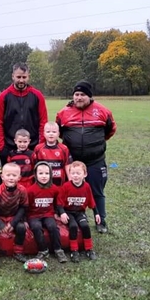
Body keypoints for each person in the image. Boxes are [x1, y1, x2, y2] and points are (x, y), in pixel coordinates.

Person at [56, 80, 117, 234]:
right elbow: (59, 133)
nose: (79, 97)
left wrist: (95, 145)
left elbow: (110, 130)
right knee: (69, 191)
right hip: (72, 162)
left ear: (89, 96)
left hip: (95, 160)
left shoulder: (103, 111)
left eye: (82, 94)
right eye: (76, 94)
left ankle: (101, 220)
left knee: (97, 191)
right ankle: (71, 219)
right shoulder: (64, 113)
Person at [0, 63, 48, 165]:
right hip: (9, 146)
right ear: (13, 76)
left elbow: (43, 121)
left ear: (28, 77)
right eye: (18, 77)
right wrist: (2, 147)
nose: (21, 80)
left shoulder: (37, 96)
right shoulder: (4, 96)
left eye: (24, 77)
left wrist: (40, 145)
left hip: (32, 146)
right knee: (10, 178)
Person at [0, 163, 28, 268]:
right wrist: (0, 225)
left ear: (19, 177)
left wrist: (13, 223)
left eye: (14, 175)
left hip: (13, 216)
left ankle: (18, 251)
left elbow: (24, 207)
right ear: (2, 177)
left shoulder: (22, 190)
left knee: (21, 228)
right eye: (8, 175)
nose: (11, 178)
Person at [58, 161, 101, 262]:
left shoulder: (86, 187)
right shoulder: (66, 186)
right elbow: (59, 203)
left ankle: (89, 249)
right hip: (69, 212)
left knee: (85, 226)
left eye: (78, 173)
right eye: (73, 173)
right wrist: (62, 213)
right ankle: (74, 251)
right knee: (73, 226)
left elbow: (91, 201)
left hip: (80, 212)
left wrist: (97, 213)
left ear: (85, 174)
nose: (75, 176)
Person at [27, 162, 68, 263]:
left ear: (51, 175)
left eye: (47, 173)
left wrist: (59, 213)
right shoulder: (30, 190)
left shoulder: (54, 189)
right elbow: (25, 207)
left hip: (48, 214)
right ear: (35, 175)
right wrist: (24, 219)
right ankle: (43, 250)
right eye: (40, 173)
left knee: (52, 227)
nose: (44, 176)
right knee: (36, 227)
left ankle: (58, 249)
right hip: (34, 215)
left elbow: (57, 203)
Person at [32, 121, 72, 186]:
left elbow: (67, 165)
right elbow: (34, 166)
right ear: (44, 133)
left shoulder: (64, 148)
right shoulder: (38, 148)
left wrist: (70, 180)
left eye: (54, 132)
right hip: (43, 183)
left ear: (58, 134)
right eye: (48, 132)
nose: (51, 134)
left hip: (59, 183)